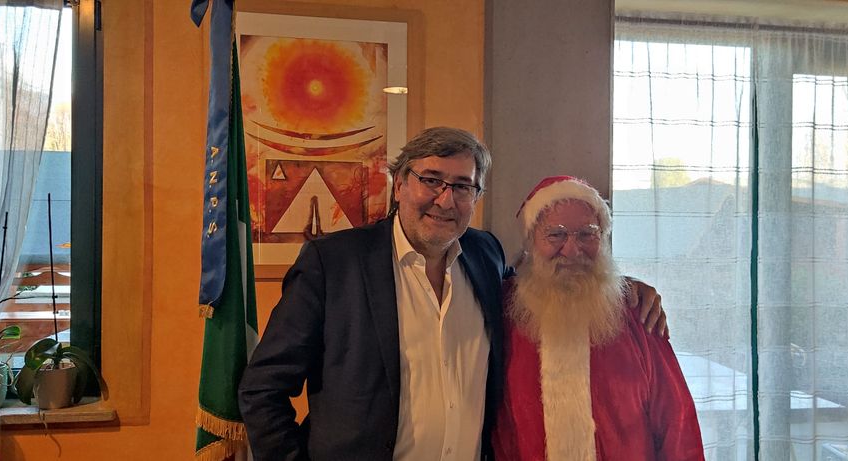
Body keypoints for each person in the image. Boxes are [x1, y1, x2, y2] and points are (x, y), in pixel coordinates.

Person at [238, 128, 666, 461]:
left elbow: (547, 285)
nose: (446, 200)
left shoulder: (485, 255)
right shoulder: (334, 263)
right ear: (400, 185)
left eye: (463, 186)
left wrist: (625, 289)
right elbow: (262, 389)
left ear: (476, 196)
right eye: (431, 180)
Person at [493, 176, 704, 461]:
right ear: (531, 242)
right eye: (555, 235)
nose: (572, 250)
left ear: (603, 239)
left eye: (587, 234)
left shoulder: (637, 310)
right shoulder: (502, 309)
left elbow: (677, 423)